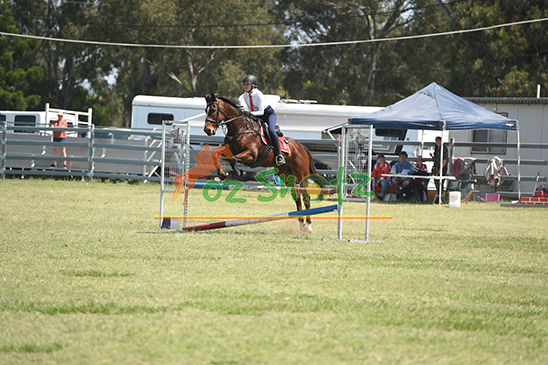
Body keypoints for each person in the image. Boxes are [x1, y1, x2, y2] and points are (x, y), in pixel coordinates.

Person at [238, 75, 285, 166]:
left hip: (268, 114)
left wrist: (250, 113)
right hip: (256, 115)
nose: (245, 86)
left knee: (271, 130)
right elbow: (250, 108)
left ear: (253, 85)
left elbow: (261, 111)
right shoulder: (244, 95)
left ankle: (279, 154)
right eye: (244, 85)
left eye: (247, 84)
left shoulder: (258, 94)